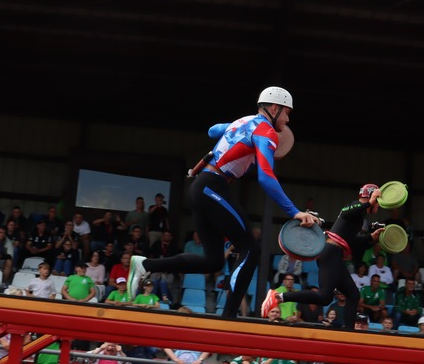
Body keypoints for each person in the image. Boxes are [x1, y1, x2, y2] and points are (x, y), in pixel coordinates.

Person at [130, 87, 318, 320]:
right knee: (251, 249)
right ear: (274, 108)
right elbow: (266, 176)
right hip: (212, 187)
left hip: (202, 186)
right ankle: (229, 317)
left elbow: (212, 131)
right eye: (286, 113)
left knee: (213, 260)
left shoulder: (243, 121)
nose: (288, 119)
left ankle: (145, 265)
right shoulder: (266, 132)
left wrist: (233, 130)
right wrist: (294, 211)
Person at [262, 184, 383, 320]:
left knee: (353, 295)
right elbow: (346, 211)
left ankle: (349, 334)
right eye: (378, 202)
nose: (378, 206)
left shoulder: (359, 217)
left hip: (335, 254)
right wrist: (370, 203)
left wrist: (371, 238)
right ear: (372, 198)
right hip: (331, 252)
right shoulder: (354, 206)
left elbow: (351, 241)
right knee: (324, 296)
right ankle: (278, 296)